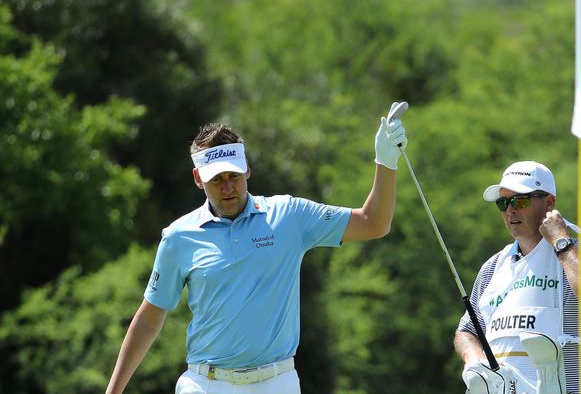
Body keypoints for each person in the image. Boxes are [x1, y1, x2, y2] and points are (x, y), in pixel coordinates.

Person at [106, 103, 408, 394]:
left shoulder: (289, 215)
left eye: (234, 176)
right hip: (207, 383)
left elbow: (373, 223)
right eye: (217, 180)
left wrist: (385, 162)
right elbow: (150, 316)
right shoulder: (178, 236)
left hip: (277, 381)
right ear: (198, 179)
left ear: (247, 168)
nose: (228, 187)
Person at [454, 161, 581, 394]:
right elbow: (467, 331)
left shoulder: (577, 250)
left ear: (549, 203)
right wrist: (477, 363)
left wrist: (561, 240)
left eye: (520, 200)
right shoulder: (492, 267)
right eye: (503, 203)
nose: (510, 210)